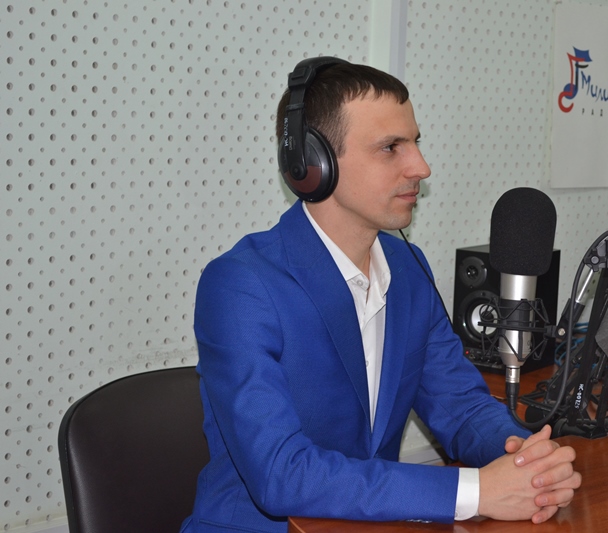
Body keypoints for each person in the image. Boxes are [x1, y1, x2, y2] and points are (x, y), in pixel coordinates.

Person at [181, 57, 581, 533]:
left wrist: (527, 461)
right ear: (313, 164)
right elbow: (280, 474)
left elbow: (462, 408)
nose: (421, 167)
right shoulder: (241, 286)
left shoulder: (407, 269)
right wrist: (477, 491)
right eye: (391, 147)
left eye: (415, 143)